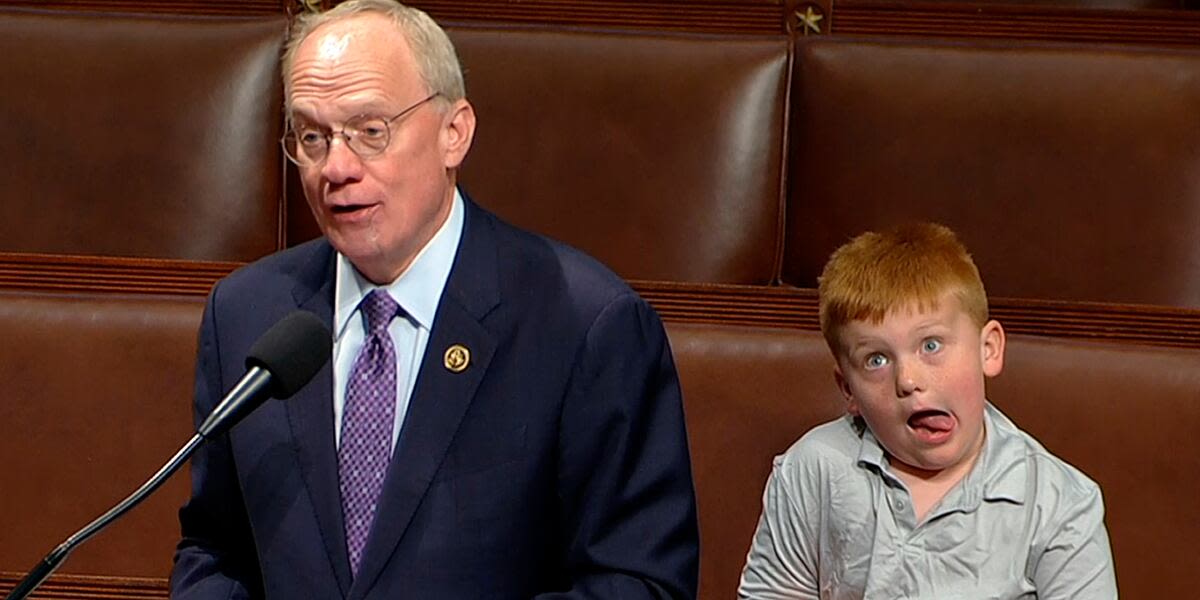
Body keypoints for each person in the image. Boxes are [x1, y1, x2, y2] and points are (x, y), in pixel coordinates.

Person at [169, 1, 699, 598]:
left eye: (371, 131)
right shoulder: (246, 316)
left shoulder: (586, 325)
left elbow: (638, 582)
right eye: (312, 137)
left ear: (454, 133)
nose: (335, 167)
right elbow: (215, 550)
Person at [738, 223, 1117, 599]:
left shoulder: (1061, 504)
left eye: (931, 346)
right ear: (848, 389)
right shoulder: (813, 469)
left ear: (988, 349)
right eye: (877, 360)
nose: (908, 380)